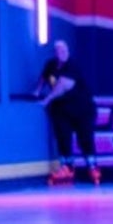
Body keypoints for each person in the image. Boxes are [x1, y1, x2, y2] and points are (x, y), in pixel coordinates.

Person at [33, 37, 99, 186]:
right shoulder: (50, 65)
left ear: (67, 51)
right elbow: (44, 77)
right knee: (62, 137)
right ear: (54, 52)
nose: (61, 52)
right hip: (62, 109)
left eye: (64, 50)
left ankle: (92, 167)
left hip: (82, 108)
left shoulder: (72, 66)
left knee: (85, 138)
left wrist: (47, 99)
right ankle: (67, 167)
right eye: (58, 50)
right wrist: (36, 91)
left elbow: (62, 86)